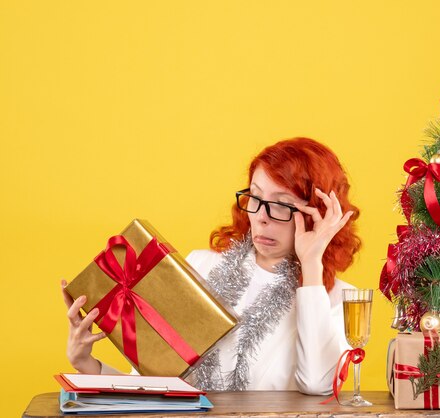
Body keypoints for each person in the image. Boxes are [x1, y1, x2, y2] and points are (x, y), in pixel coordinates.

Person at [61, 137, 361, 395]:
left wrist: (311, 264)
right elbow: (152, 387)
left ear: (317, 215)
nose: (261, 216)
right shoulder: (199, 267)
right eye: (255, 197)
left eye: (282, 204)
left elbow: (317, 385)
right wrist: (87, 363)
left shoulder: (338, 299)